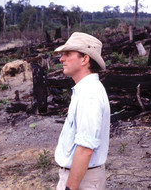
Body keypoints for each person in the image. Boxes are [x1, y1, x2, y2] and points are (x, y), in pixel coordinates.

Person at [54, 32, 110, 190]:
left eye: (68, 54)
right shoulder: (85, 90)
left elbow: (85, 149)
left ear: (85, 59)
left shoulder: (89, 95)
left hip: (82, 180)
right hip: (81, 176)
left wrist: (70, 187)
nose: (61, 59)